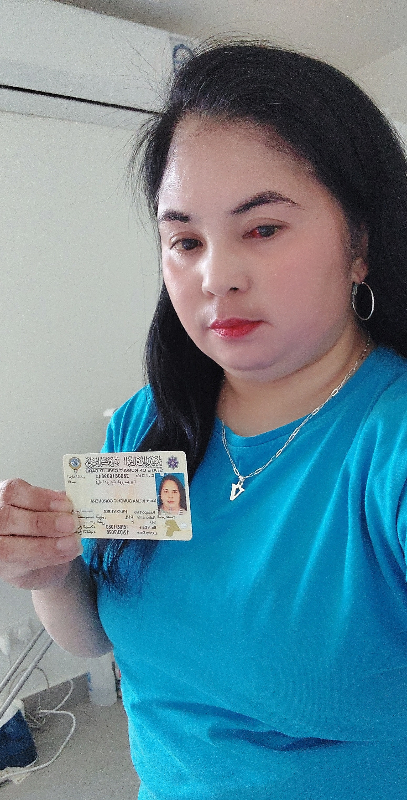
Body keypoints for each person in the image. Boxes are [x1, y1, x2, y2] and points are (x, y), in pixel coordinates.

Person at [1, 40, 407, 799]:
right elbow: (100, 637)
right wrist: (48, 574)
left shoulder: (389, 447)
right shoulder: (148, 422)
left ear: (358, 241)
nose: (214, 277)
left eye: (262, 228)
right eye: (185, 241)